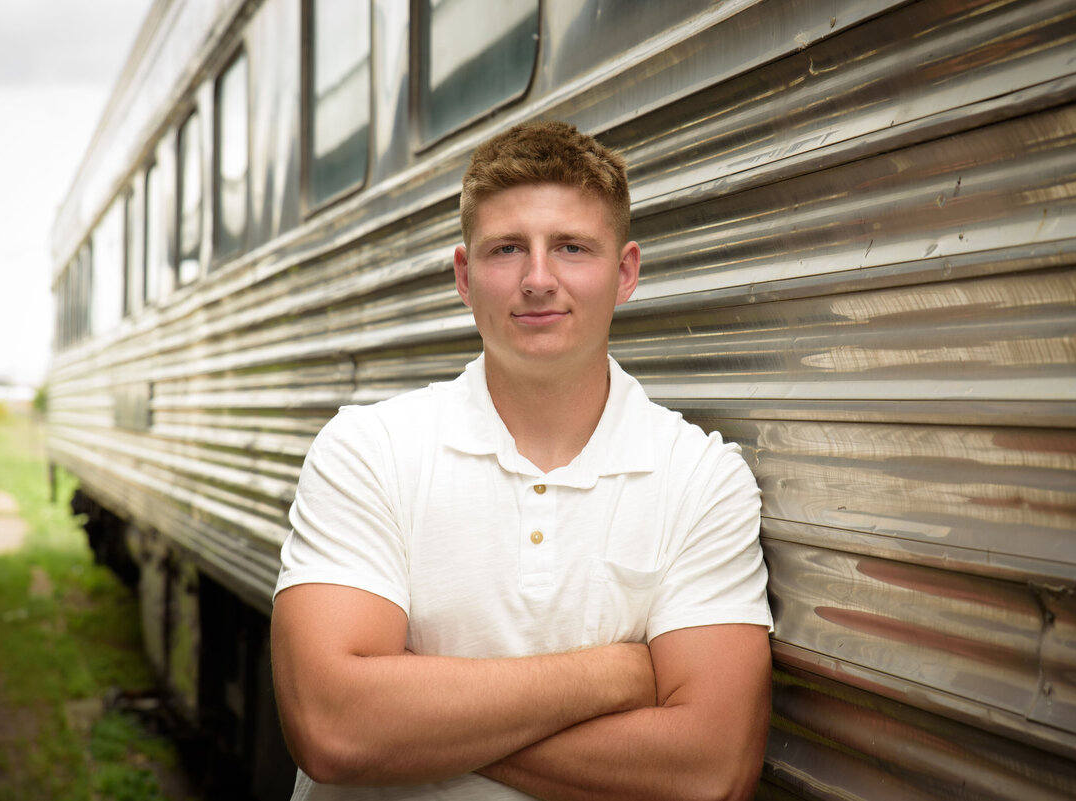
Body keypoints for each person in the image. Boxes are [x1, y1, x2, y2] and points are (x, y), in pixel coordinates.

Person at [271, 120, 774, 801]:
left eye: (571, 247)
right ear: (464, 273)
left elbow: (711, 769)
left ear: (624, 272)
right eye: (507, 249)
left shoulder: (702, 478)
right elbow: (333, 727)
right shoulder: (369, 448)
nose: (538, 279)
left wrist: (417, 717)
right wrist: (613, 676)